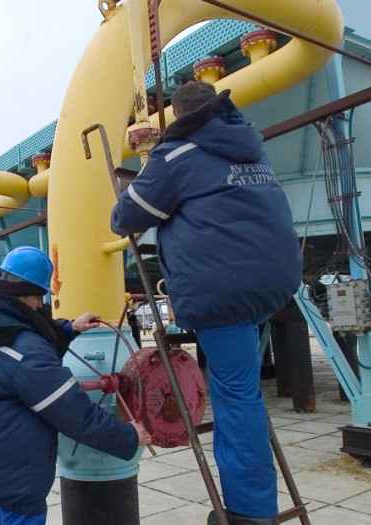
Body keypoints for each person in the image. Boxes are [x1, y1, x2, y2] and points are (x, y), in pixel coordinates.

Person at [111, 81, 302, 525]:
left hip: (224, 288)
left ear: (180, 119)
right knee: (243, 388)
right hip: (273, 281)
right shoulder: (254, 148)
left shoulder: (175, 156)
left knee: (237, 397)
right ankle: (255, 499)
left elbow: (125, 218)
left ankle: (251, 512)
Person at [0, 245, 152, 525]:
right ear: (28, 294)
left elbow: (21, 341)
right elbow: (76, 415)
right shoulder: (27, 353)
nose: (42, 305)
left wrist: (69, 329)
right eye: (40, 297)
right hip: (15, 482)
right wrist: (129, 436)